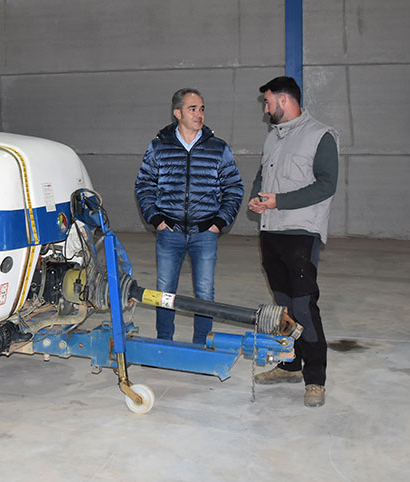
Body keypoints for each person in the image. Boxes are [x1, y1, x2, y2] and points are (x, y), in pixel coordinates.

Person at [248, 76, 339, 408]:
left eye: (268, 101)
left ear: (284, 101)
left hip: (301, 233)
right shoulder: (273, 137)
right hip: (270, 231)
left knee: (303, 306)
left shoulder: (320, 136)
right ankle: (290, 364)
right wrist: (260, 198)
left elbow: (327, 184)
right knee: (284, 306)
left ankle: (315, 379)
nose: (266, 108)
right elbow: (262, 174)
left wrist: (279, 202)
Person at [135, 88, 244, 345]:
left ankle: (201, 343)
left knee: (204, 292)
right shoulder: (159, 147)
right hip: (169, 232)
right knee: (164, 292)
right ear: (178, 113)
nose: (199, 114)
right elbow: (144, 185)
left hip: (204, 233)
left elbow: (234, 187)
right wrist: (156, 218)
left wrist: (219, 222)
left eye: (202, 108)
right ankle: (164, 342)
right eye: (192, 109)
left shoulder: (218, 148)